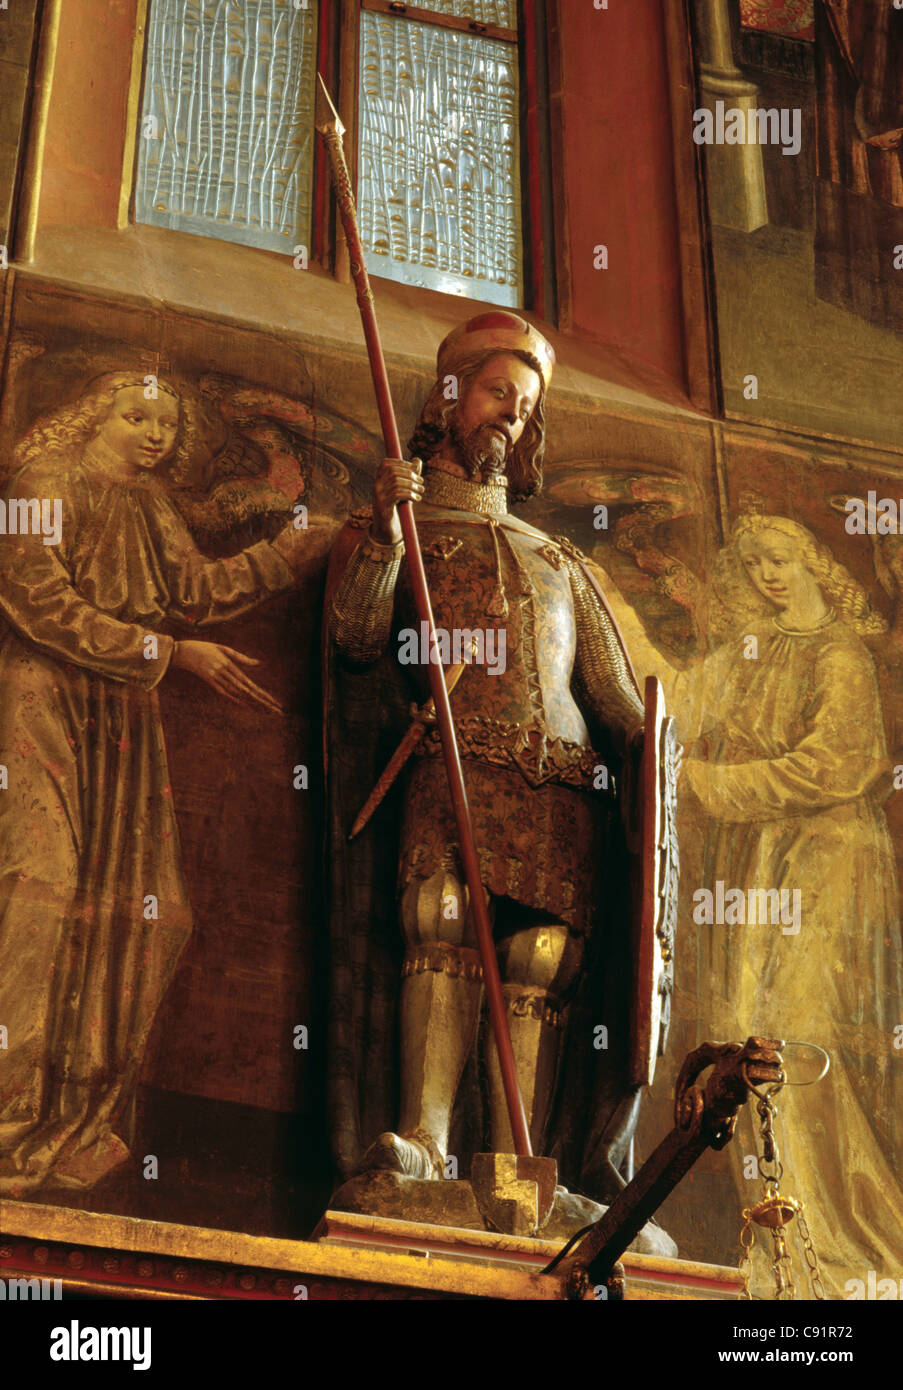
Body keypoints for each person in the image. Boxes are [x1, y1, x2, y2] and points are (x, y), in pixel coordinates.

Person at [323, 312, 669, 1228]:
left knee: (540, 958)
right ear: (449, 398)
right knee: (438, 921)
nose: (509, 418)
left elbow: (615, 703)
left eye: (524, 407)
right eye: (496, 395)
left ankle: (521, 1171)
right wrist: (385, 537)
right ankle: (425, 1147)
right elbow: (356, 640)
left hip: (555, 781)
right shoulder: (401, 528)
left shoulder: (559, 560)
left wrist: (658, 757)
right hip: (454, 758)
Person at [0, 370, 307, 1194]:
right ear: (94, 415)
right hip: (39, 700)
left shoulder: (153, 507)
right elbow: (35, 599)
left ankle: (72, 1118)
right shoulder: (42, 483)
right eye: (135, 416)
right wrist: (167, 655)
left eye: (164, 425)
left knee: (148, 914)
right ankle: (4, 1113)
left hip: (123, 719)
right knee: (38, 889)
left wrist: (293, 549)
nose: (152, 434)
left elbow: (195, 592)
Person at [602, 512, 903, 1295]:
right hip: (761, 861)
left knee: (795, 1039)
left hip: (825, 860)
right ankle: (774, 1228)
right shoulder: (753, 648)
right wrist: (619, 616)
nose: (768, 575)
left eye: (781, 558)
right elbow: (680, 707)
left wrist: (708, 788)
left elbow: (831, 769)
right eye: (755, 563)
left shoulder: (840, 656)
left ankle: (831, 1241)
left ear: (812, 563)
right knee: (748, 1030)